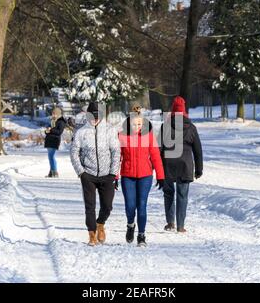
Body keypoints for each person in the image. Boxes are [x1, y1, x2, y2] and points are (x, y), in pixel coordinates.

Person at [70, 102, 121, 246]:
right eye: (92, 116)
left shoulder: (110, 130)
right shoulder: (81, 132)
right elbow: (74, 152)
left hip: (107, 175)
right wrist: (81, 172)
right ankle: (91, 234)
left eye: (97, 116)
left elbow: (116, 152)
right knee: (89, 206)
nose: (94, 119)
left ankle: (100, 224)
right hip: (88, 175)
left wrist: (113, 172)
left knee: (107, 205)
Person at [119, 104, 165, 247]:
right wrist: (114, 177)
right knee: (130, 206)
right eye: (134, 124)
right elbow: (117, 157)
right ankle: (130, 224)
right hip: (128, 175)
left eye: (139, 123)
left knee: (142, 205)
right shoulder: (122, 136)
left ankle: (141, 235)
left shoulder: (149, 136)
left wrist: (160, 176)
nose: (137, 126)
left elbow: (156, 156)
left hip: (145, 175)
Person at [159, 96, 203, 233]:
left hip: (168, 165)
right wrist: (199, 169)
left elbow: (158, 148)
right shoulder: (191, 128)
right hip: (185, 165)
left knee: (168, 193)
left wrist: (158, 167)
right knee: (182, 195)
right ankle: (180, 226)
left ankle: (170, 222)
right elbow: (198, 150)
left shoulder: (165, 126)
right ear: (184, 111)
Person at [44, 107, 66, 178]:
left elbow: (59, 132)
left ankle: (55, 171)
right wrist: (46, 131)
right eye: (52, 114)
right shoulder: (52, 121)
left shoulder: (61, 122)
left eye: (55, 114)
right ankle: (51, 172)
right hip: (49, 140)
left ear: (58, 114)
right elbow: (48, 130)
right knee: (50, 157)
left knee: (51, 156)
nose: (53, 115)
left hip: (55, 140)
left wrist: (51, 130)